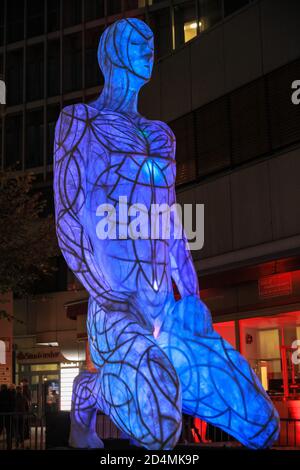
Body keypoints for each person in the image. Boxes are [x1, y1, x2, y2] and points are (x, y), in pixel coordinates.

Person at [54, 18, 280, 450]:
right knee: (159, 428)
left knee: (262, 424)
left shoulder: (162, 135)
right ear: (112, 52)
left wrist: (192, 297)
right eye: (138, 43)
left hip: (166, 311)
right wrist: (108, 295)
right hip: (116, 308)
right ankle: (92, 393)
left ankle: (160, 377)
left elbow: (171, 224)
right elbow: (68, 219)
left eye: (151, 45)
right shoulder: (79, 121)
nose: (148, 50)